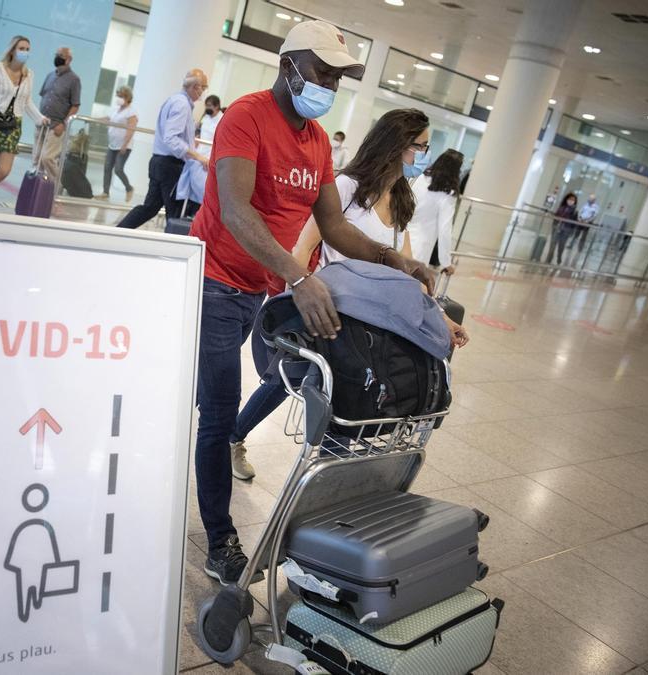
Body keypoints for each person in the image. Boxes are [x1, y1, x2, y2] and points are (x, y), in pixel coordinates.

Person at [186, 20, 438, 584]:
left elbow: (331, 224)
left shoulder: (318, 141)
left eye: (337, 77)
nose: (329, 84)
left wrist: (391, 257)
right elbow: (234, 209)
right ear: (288, 66)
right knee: (220, 410)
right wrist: (300, 277)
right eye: (322, 72)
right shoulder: (246, 117)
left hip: (261, 288)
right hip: (214, 280)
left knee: (274, 385)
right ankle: (222, 539)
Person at [228, 111, 468, 482]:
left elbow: (403, 274)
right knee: (286, 380)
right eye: (419, 147)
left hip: (371, 324)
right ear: (395, 146)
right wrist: (301, 294)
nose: (424, 155)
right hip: (331, 310)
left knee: (347, 399)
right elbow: (302, 247)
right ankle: (235, 439)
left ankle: (322, 485)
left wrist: (442, 317)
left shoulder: (402, 201)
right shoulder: (345, 188)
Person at [116, 69, 209, 229]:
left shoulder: (174, 100)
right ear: (195, 86)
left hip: (159, 162)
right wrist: (197, 156)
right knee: (175, 213)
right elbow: (171, 138)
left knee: (150, 208)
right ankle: (175, 249)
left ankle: (118, 233)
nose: (203, 92)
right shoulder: (182, 105)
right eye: (204, 87)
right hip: (170, 166)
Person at [0, 36, 45, 211]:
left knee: (4, 170)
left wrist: (39, 118)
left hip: (13, 125)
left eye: (28, 49)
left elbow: (26, 101)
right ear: (13, 50)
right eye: (21, 48)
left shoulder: (29, 75)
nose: (25, 52)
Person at [408, 149, 463, 273]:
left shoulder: (420, 178)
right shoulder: (448, 194)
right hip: (420, 247)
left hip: (401, 239)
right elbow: (445, 229)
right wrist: (446, 262)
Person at [34, 46, 81, 186]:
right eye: (56, 54)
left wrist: (64, 123)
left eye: (61, 55)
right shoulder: (50, 75)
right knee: (37, 160)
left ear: (69, 59)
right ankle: (37, 190)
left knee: (47, 158)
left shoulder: (74, 79)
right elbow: (43, 96)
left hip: (57, 125)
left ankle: (55, 190)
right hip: (42, 123)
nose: (57, 57)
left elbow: (75, 105)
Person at [96, 86, 137, 202]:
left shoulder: (131, 112)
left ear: (127, 97)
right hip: (112, 144)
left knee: (118, 169)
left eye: (121, 96)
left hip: (124, 146)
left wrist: (124, 144)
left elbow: (131, 129)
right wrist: (95, 120)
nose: (119, 98)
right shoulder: (116, 109)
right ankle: (105, 192)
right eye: (118, 95)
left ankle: (129, 188)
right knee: (107, 167)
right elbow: (109, 118)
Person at [546, 193, 578, 265]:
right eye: (569, 199)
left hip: (566, 231)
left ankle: (559, 257)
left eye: (573, 200)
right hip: (557, 229)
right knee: (553, 245)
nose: (571, 201)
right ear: (566, 199)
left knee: (561, 246)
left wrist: (571, 233)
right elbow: (556, 217)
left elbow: (574, 224)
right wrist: (554, 226)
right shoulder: (561, 208)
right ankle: (549, 259)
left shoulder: (575, 211)